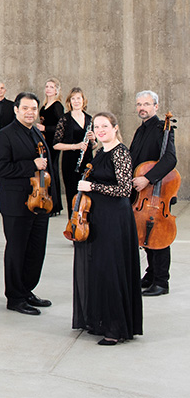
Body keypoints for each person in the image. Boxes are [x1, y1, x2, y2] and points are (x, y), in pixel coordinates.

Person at [73, 112, 143, 345]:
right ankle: (100, 320)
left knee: (112, 268)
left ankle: (116, 328)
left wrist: (92, 185)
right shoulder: (99, 152)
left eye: (105, 126)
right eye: (97, 126)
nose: (101, 130)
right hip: (98, 216)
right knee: (99, 268)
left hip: (115, 218)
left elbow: (124, 190)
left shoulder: (120, 152)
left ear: (115, 128)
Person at [0, 92, 56, 315]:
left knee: (35, 251)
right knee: (17, 251)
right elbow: (0, 168)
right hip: (17, 204)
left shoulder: (36, 132)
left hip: (40, 203)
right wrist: (32, 165)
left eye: (34, 109)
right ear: (16, 110)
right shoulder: (5, 136)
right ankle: (15, 298)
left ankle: (27, 290)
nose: (30, 112)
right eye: (26, 108)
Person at [129, 90, 177, 297]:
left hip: (156, 192)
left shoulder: (162, 129)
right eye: (139, 104)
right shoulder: (140, 130)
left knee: (158, 235)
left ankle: (161, 281)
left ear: (155, 107)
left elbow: (169, 160)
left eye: (147, 104)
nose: (142, 108)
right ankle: (150, 274)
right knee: (145, 233)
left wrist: (147, 179)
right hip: (142, 194)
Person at [53, 88, 95, 213]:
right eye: (73, 99)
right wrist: (75, 146)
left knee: (87, 196)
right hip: (70, 163)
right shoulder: (65, 119)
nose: (76, 101)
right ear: (69, 101)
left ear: (83, 100)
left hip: (87, 162)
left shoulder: (89, 119)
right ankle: (73, 226)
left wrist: (93, 141)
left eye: (79, 98)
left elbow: (94, 145)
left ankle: (85, 228)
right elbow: (56, 145)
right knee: (72, 195)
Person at [37, 78, 65, 215]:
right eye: (47, 86)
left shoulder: (57, 105)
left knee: (52, 171)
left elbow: (61, 127)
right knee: (46, 172)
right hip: (45, 142)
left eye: (52, 87)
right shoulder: (44, 106)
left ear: (56, 90)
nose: (48, 89)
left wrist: (44, 128)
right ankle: (47, 202)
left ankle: (55, 206)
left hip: (53, 144)